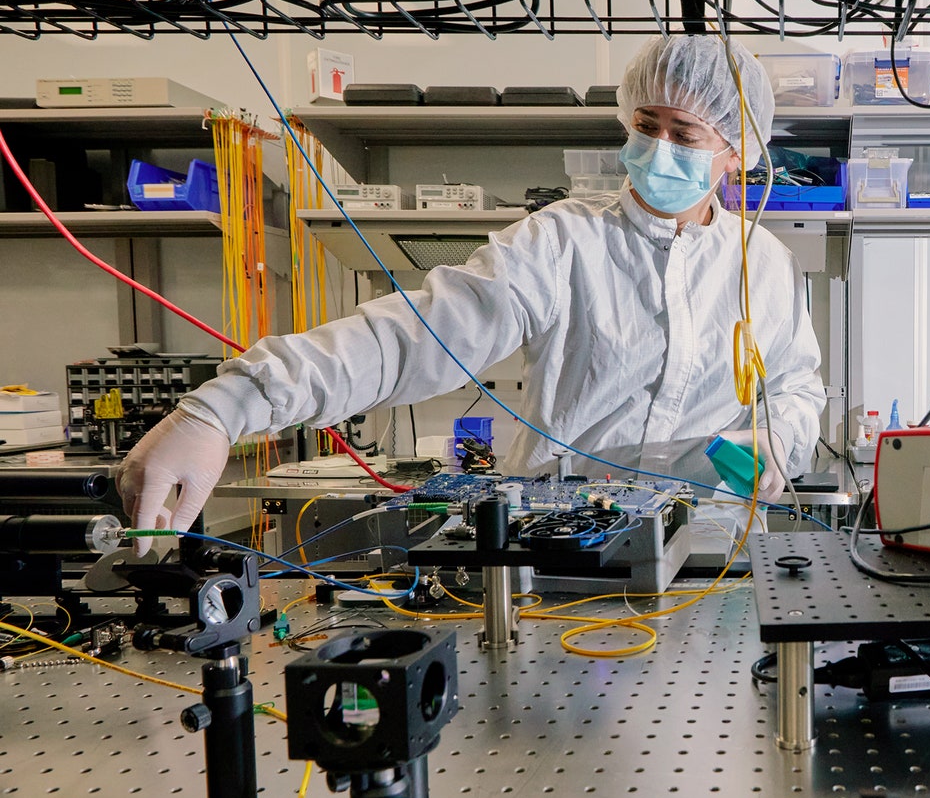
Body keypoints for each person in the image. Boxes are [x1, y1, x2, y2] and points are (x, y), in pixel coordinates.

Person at [117, 35, 826, 549]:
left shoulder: (761, 262)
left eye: (685, 133)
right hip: (563, 554)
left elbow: (798, 389)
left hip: (713, 553)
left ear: (736, 148)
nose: (658, 148)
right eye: (646, 126)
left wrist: (774, 442)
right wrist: (231, 402)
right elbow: (420, 336)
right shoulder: (562, 241)